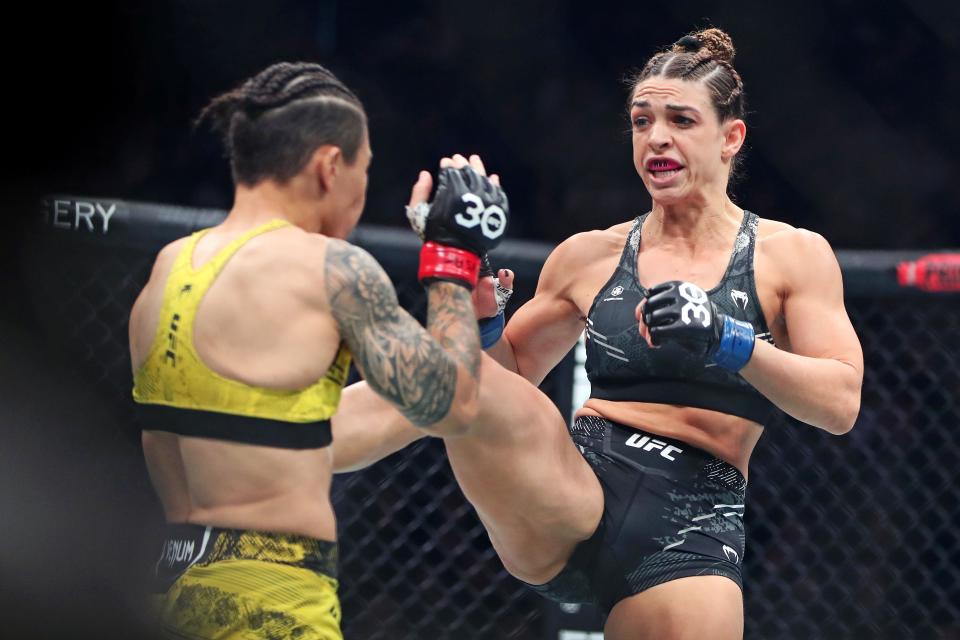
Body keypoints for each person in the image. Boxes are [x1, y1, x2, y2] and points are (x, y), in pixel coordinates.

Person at [331, 28, 864, 640]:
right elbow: (506, 381)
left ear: (731, 138)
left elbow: (840, 402)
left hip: (691, 517)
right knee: (464, 376)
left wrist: (728, 339)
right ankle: (289, 430)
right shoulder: (589, 255)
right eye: (641, 121)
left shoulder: (790, 256)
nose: (656, 137)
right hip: (570, 485)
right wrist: (481, 320)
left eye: (681, 120)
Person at [128, 61, 508, 639]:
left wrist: (465, 331)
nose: (363, 193)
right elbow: (451, 406)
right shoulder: (329, 268)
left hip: (169, 594)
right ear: (331, 166)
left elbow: (321, 436)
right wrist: (452, 258)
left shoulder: (168, 269)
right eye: (365, 170)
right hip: (270, 604)